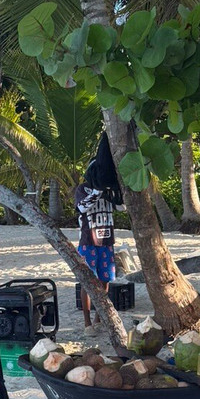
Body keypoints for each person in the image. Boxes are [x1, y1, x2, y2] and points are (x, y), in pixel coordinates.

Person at [75, 134, 125, 330]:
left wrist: (115, 194)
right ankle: (87, 322)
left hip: (106, 242)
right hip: (89, 242)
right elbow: (81, 207)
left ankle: (99, 318)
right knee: (88, 283)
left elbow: (122, 208)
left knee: (105, 281)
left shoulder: (108, 192)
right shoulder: (83, 189)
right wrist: (97, 191)